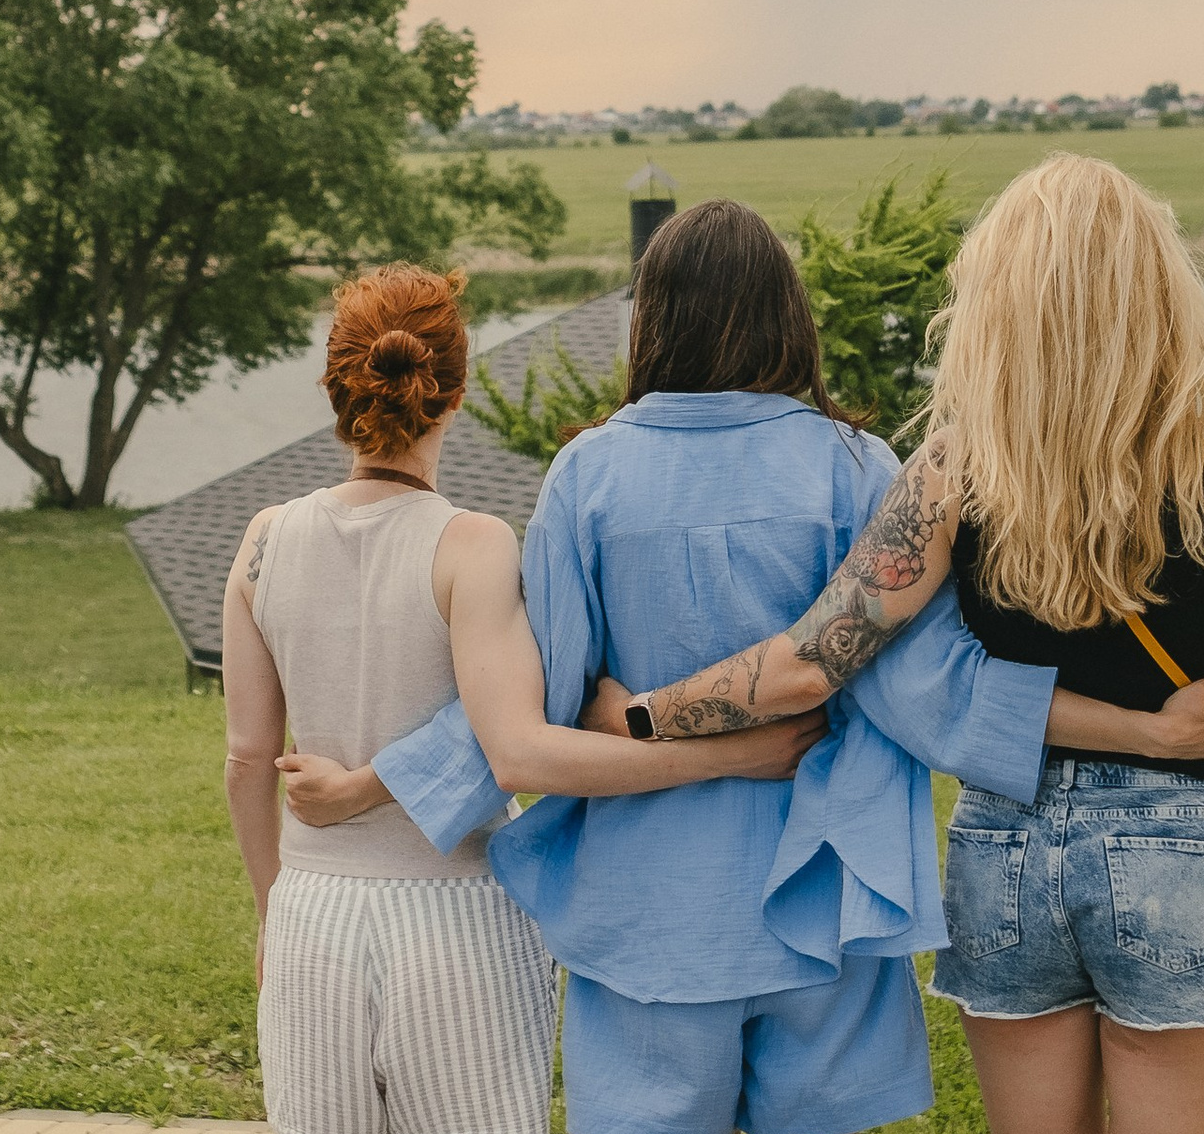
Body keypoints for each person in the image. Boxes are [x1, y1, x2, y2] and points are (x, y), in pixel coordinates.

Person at [287, 200, 1204, 1134]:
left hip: (646, 916)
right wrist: (1143, 732)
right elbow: (927, 688)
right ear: (789, 313)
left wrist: (372, 783)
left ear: (649, 320)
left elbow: (538, 697)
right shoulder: (858, 466)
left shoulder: (589, 476)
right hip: (823, 899)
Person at [608, 155, 1204, 1134]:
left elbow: (809, 660)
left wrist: (648, 712)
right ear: (1156, 293)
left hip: (1005, 847)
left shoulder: (949, 467)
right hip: (1186, 851)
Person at [223, 261, 829, 1134]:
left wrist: (272, 912)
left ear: (335, 387)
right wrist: (732, 754)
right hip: (457, 916)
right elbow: (526, 750)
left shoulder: (263, 540)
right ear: (455, 393)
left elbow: (248, 758)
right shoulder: (474, 547)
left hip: (311, 909)